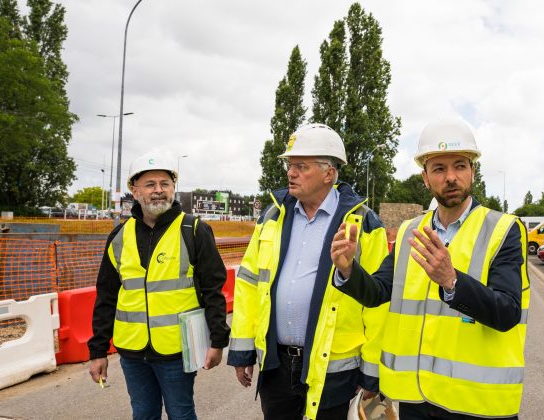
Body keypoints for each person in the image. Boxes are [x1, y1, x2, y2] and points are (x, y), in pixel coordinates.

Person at [330, 117, 529, 419]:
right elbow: (378, 293)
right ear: (425, 177)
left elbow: (507, 312)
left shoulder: (502, 229)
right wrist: (348, 270)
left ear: (472, 172)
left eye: (460, 166)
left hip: (477, 405)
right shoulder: (411, 232)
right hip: (416, 401)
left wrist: (452, 282)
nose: (451, 177)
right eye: (439, 168)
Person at [228, 123, 389, 420]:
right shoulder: (272, 216)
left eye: (301, 166)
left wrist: (372, 371)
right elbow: (249, 285)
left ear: (329, 173)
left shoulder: (363, 223)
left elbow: (378, 302)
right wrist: (242, 350)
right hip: (276, 367)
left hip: (337, 370)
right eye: (290, 165)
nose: (291, 173)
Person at [88, 150, 230, 420]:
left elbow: (214, 290)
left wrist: (217, 340)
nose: (158, 191)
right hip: (132, 351)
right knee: (143, 414)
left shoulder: (194, 230)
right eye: (150, 184)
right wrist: (98, 351)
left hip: (177, 350)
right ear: (135, 190)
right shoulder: (119, 236)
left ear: (174, 187)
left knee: (181, 413)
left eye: (165, 184)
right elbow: (106, 296)